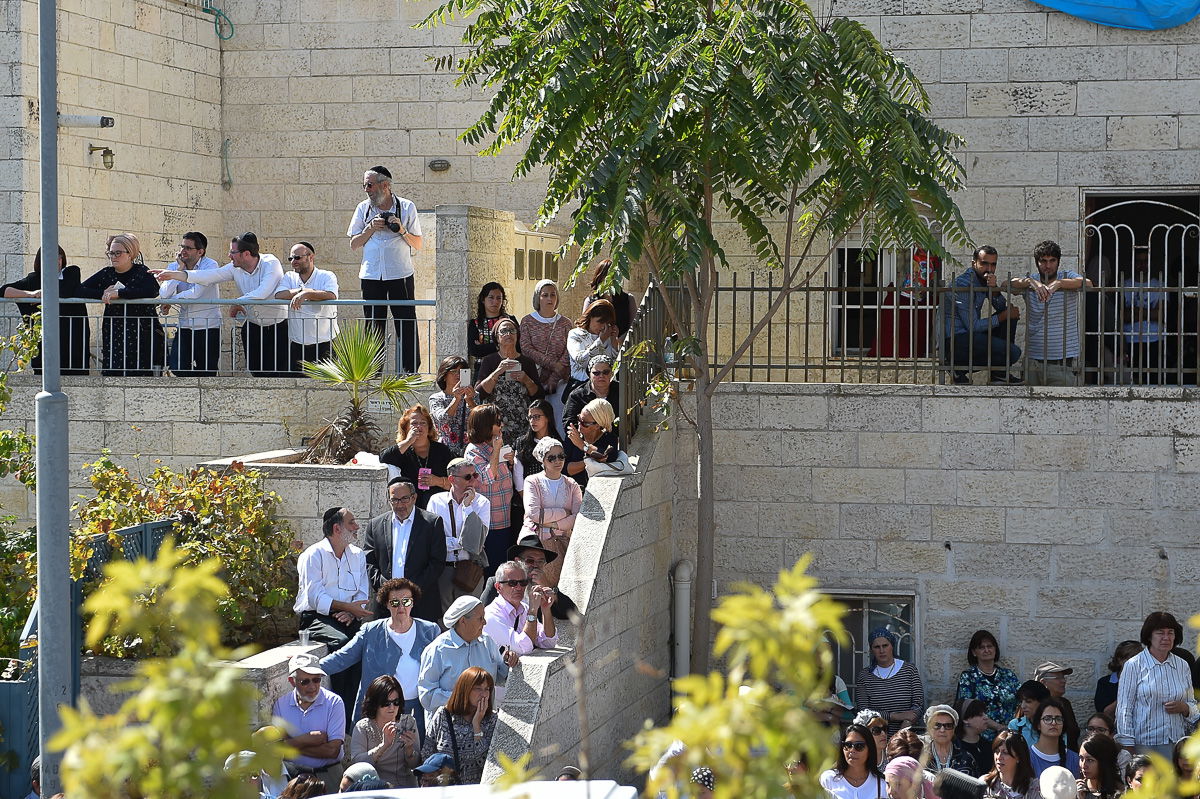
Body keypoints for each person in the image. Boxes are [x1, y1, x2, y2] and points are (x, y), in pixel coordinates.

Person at [154, 232, 289, 377]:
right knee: (256, 370)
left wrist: (237, 302)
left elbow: (263, 291)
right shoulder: (233, 267)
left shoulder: (270, 263)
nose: (229, 256)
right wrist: (174, 274)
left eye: (232, 252)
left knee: (280, 372)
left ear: (246, 254)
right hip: (253, 325)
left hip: (278, 326)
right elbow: (209, 276)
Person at [319, 578, 440, 730]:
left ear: (413, 603)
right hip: (378, 712)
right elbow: (343, 657)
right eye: (395, 602)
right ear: (387, 604)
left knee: (415, 752)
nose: (401, 607)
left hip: (417, 713)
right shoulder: (371, 631)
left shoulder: (430, 631)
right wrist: (311, 667)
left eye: (406, 601)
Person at [293, 507, 372, 720]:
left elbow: (362, 592)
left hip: (348, 616)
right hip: (316, 617)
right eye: (351, 523)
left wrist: (353, 613)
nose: (357, 527)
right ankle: (338, 710)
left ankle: (360, 712)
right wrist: (348, 608)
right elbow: (315, 598)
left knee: (369, 644)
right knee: (343, 643)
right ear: (337, 528)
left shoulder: (357, 555)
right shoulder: (313, 555)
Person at [349, 166, 423, 374]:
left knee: (406, 325)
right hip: (371, 275)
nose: (366, 190)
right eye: (364, 185)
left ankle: (410, 372)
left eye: (370, 185)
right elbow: (354, 244)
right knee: (373, 327)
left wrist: (401, 230)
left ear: (385, 185)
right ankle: (372, 374)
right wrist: (370, 228)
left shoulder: (407, 207)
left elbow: (417, 244)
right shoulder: (363, 208)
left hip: (400, 274)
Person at [417, 596, 517, 726]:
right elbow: (427, 696)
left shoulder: (487, 642)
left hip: (483, 725)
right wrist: (464, 698)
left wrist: (509, 662)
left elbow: (500, 677)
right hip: (449, 730)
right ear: (463, 621)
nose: (485, 622)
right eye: (480, 618)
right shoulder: (437, 650)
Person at [77, 233, 165, 376]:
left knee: (141, 371)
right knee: (114, 370)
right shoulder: (106, 273)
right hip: (115, 331)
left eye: (118, 253)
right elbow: (80, 290)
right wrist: (103, 293)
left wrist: (120, 293)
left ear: (130, 254)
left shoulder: (142, 271)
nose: (113, 256)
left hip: (141, 330)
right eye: (111, 253)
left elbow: (152, 290)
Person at [1115, 610, 1200, 759]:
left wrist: (1185, 708)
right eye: (1160, 633)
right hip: (1144, 745)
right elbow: (1124, 709)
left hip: (1175, 744)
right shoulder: (1133, 665)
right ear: (1149, 636)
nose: (1166, 638)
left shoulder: (1183, 665)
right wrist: (1129, 747)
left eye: (1170, 633)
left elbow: (1193, 706)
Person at [363, 477, 447, 623]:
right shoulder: (375, 525)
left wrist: (410, 591)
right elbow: (370, 562)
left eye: (404, 499)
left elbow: (437, 562)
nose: (399, 505)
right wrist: (388, 590)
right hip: (387, 605)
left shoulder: (431, 523)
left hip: (422, 603)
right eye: (394, 500)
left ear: (414, 497)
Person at [1010, 240, 1091, 386]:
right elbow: (1007, 285)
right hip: (1033, 362)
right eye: (1043, 261)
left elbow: (1088, 283)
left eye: (1052, 260)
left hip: (1061, 363)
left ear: (1058, 261)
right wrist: (1030, 283)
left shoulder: (1067, 276)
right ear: (1037, 262)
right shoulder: (1032, 280)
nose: (1048, 266)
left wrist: (1059, 284)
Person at [2, 245, 90, 375]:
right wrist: (31, 294)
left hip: (72, 341)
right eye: (50, 257)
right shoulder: (33, 279)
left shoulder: (71, 273)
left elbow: (65, 291)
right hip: (46, 343)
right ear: (41, 261)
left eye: (59, 257)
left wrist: (45, 293)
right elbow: (4, 290)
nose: (56, 261)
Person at [942, 244, 1022, 384]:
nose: (989, 269)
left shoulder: (983, 280)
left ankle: (999, 373)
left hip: (970, 337)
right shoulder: (963, 285)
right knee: (1013, 352)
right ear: (974, 263)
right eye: (984, 264)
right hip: (956, 341)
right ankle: (956, 366)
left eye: (993, 265)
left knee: (1010, 318)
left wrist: (994, 290)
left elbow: (1001, 307)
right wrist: (1004, 315)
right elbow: (973, 326)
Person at [426, 457, 491, 613]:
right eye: (467, 477)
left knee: (469, 618)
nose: (472, 481)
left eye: (474, 476)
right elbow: (433, 540)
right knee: (444, 618)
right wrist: (462, 542)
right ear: (451, 479)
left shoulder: (482, 503)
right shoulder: (436, 501)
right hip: (444, 569)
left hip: (470, 568)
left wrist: (467, 507)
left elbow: (476, 542)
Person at [271, 653, 345, 785]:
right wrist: (307, 739)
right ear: (292, 681)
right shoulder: (281, 705)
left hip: (328, 774)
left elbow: (333, 751)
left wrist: (292, 745)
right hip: (294, 777)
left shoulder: (334, 702)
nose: (312, 687)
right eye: (305, 681)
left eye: (316, 680)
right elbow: (277, 749)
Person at [158, 232, 220, 376]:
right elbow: (164, 293)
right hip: (185, 325)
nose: (182, 251)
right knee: (177, 367)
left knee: (207, 372)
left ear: (200, 252)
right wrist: (178, 271)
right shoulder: (175, 265)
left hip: (207, 326)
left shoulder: (210, 265)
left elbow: (195, 293)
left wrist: (171, 301)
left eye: (187, 248)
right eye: (182, 246)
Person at [422, 666, 497, 785]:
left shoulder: (492, 720)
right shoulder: (443, 715)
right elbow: (426, 755)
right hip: (444, 791)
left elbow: (489, 765)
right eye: (478, 689)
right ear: (465, 690)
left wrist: (477, 725)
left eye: (487, 689)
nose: (484, 694)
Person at [464, 404, 516, 576]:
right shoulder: (473, 451)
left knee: (503, 569)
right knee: (492, 573)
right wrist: (497, 451)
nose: (501, 425)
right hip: (489, 523)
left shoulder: (494, 445)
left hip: (504, 517)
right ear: (486, 425)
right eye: (497, 422)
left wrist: (509, 460)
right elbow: (487, 477)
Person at [523, 437, 581, 586]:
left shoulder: (572, 484)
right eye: (551, 458)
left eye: (561, 456)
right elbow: (533, 514)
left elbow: (577, 517)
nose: (558, 461)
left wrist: (553, 525)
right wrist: (563, 512)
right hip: (536, 544)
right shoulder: (532, 481)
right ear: (543, 460)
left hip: (561, 543)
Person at [273, 241, 338, 374]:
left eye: (297, 258)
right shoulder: (289, 277)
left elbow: (331, 295)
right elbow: (279, 294)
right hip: (297, 346)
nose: (293, 262)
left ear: (311, 257)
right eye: (291, 258)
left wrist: (308, 293)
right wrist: (300, 292)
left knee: (325, 391)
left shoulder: (326, 276)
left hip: (324, 345)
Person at [475, 317, 543, 444]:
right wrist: (497, 372)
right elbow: (479, 393)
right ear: (497, 337)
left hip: (522, 422)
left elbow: (539, 395)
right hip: (496, 424)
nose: (508, 334)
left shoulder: (527, 362)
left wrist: (526, 380)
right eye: (504, 331)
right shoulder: (489, 361)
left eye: (512, 331)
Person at [347, 675, 421, 788]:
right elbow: (357, 764)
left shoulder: (408, 723)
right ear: (375, 703)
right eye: (386, 703)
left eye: (396, 702)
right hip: (375, 787)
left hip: (405, 787)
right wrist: (383, 746)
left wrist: (409, 750)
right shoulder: (363, 727)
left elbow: (415, 765)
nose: (392, 707)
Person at [479, 535, 579, 615]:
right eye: (530, 561)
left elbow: (571, 612)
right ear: (518, 561)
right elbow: (481, 613)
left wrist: (549, 587)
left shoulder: (543, 586)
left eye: (540, 562)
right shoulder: (497, 582)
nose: (535, 565)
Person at [379, 405, 454, 509]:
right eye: (414, 423)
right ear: (406, 428)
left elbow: (457, 480)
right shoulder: (402, 451)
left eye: (423, 423)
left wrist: (437, 481)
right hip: (409, 509)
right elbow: (384, 458)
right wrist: (409, 440)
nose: (419, 426)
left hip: (439, 508)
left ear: (429, 428)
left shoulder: (442, 450)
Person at [855, 627, 924, 736]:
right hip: (875, 737)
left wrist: (902, 731)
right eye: (877, 647)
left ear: (892, 646)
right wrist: (895, 716)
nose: (882, 650)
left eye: (885, 646)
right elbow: (864, 712)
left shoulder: (909, 670)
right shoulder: (865, 676)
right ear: (872, 650)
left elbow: (918, 706)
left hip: (905, 737)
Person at [519, 279, 572, 421]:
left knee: (557, 418)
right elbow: (526, 348)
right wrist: (552, 364)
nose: (549, 298)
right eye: (545, 295)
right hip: (533, 377)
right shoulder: (527, 321)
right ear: (538, 297)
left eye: (553, 295)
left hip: (559, 380)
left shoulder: (565, 323)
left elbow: (569, 351)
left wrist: (554, 377)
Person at [957, 629, 1021, 740]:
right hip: (981, 738)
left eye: (990, 646)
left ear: (995, 649)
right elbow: (967, 710)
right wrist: (998, 727)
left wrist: (1013, 726)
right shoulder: (968, 677)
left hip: (1010, 738)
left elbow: (1022, 702)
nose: (986, 650)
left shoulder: (1008, 675)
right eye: (981, 647)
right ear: (974, 652)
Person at [483, 560, 558, 654]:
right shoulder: (491, 615)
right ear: (498, 587)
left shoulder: (525, 608)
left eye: (523, 582)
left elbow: (548, 643)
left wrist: (546, 610)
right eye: (512, 583)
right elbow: (523, 648)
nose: (519, 588)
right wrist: (533, 611)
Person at [564, 397, 622, 490]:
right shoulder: (573, 436)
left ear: (597, 425)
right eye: (579, 419)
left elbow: (608, 456)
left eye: (585, 423)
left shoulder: (609, 438)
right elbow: (565, 469)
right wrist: (591, 460)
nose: (579, 424)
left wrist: (583, 446)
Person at [566, 298, 619, 397]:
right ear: (589, 318)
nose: (603, 327)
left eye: (607, 323)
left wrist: (614, 342)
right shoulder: (576, 334)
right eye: (600, 322)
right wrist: (600, 341)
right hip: (580, 388)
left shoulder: (607, 336)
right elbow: (581, 360)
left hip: (604, 389)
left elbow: (614, 365)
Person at [819, 722, 886, 799]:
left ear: (870, 749)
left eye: (859, 746)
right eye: (848, 745)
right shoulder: (828, 779)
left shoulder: (881, 784)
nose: (852, 750)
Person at [428, 356, 476, 456]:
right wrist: (456, 399)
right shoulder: (436, 398)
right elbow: (443, 419)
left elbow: (481, 420)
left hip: (470, 449)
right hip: (445, 450)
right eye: (453, 371)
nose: (458, 375)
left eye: (462, 372)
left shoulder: (473, 395)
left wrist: (470, 400)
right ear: (444, 375)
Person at [562, 353, 620, 430]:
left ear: (612, 373)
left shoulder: (621, 391)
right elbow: (569, 423)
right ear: (589, 374)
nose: (601, 376)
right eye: (596, 373)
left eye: (605, 372)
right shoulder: (577, 396)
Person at [468, 281, 519, 367]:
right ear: (483, 300)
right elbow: (474, 351)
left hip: (509, 367)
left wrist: (484, 347)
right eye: (491, 297)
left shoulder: (510, 321)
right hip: (483, 370)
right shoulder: (475, 324)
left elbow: (518, 346)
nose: (495, 301)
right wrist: (503, 345)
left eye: (499, 298)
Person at [584, 258, 637, 337]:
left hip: (623, 346)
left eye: (614, 276)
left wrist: (620, 341)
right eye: (606, 275)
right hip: (596, 344)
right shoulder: (590, 301)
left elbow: (634, 327)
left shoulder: (628, 299)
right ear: (600, 277)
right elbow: (584, 327)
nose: (610, 279)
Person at [982, 730, 1043, 799]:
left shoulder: (1034, 788)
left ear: (1019, 757)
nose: (999, 757)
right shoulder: (984, 783)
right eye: (996, 751)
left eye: (1005, 753)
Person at [1028, 698, 1080, 778]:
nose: (1053, 723)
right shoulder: (1027, 757)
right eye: (1047, 719)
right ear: (1038, 724)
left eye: (1058, 719)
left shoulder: (1074, 759)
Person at [1034, 662, 1081, 750]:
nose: (1063, 681)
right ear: (1043, 682)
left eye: (1063, 677)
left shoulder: (1065, 704)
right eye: (1058, 678)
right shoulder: (1035, 706)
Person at [515, 398, 563, 482]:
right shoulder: (522, 443)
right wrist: (525, 494)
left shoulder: (557, 443)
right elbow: (518, 474)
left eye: (537, 417)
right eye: (530, 417)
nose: (532, 421)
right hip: (528, 490)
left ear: (547, 417)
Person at [924, 704, 978, 776]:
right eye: (937, 725)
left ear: (954, 729)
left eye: (948, 726)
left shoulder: (967, 758)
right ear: (929, 728)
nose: (942, 730)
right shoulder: (919, 756)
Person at [1096, 641, 1141, 717]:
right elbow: (1104, 714)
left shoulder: (1147, 680)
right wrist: (1125, 694)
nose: (1138, 663)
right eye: (1133, 658)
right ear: (1120, 660)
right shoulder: (1105, 683)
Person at [1077, 733, 1123, 799]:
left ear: (1104, 762)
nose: (1083, 765)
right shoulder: (1078, 790)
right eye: (1081, 758)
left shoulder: (1120, 794)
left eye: (1090, 760)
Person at [1009, 680, 1052, 750]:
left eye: (1028, 701)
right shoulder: (1015, 725)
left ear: (1042, 702)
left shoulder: (1055, 724)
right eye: (1021, 701)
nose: (1023, 706)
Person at [958, 699, 996, 777]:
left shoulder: (989, 746)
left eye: (985, 713)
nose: (986, 717)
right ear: (966, 720)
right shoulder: (955, 747)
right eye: (980, 715)